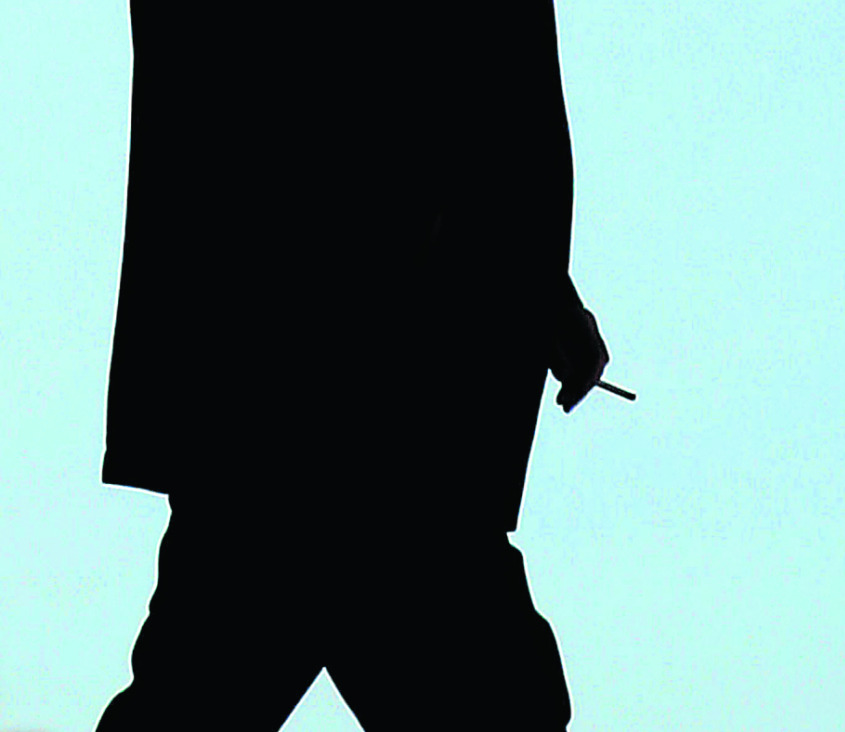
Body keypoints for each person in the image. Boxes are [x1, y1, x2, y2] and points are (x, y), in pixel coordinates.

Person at [95, 2, 607, 729]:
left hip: (326, 381)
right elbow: (353, 83)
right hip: (362, 388)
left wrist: (531, 288)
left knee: (205, 678)